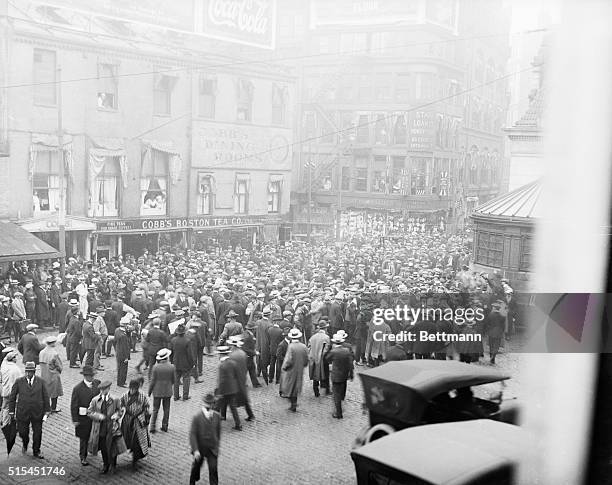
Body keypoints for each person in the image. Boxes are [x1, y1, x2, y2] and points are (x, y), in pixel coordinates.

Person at [8, 361, 50, 458]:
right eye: (27, 371)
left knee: (38, 432)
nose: (28, 374)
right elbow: (12, 397)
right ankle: (25, 442)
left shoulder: (41, 382)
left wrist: (47, 410)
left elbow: (46, 397)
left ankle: (36, 451)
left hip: (37, 412)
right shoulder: (19, 381)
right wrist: (11, 411)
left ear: (34, 372)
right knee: (23, 432)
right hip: (23, 412)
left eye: (30, 371)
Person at [87, 380, 124, 474]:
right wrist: (98, 416)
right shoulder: (95, 400)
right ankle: (106, 464)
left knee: (113, 446)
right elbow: (89, 412)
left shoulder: (115, 399)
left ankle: (113, 464)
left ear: (108, 389)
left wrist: (116, 415)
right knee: (103, 446)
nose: (103, 391)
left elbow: (120, 411)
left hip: (112, 427)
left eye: (105, 389)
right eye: (101, 390)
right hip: (101, 427)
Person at [70, 365, 100, 466]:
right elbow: (74, 405)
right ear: (85, 376)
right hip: (83, 417)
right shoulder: (77, 389)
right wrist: (75, 419)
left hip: (95, 415)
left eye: (92, 375)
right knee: (84, 437)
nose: (91, 378)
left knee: (95, 434)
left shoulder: (97, 384)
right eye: (89, 376)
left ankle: (93, 449)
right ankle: (83, 456)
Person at [189, 393, 221, 485]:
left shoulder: (217, 417)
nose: (209, 406)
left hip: (212, 449)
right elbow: (193, 434)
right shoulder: (197, 417)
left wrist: (216, 446)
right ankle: (192, 481)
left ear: (213, 405)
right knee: (196, 468)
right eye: (207, 404)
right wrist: (195, 450)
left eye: (210, 404)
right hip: (200, 448)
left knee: (213, 469)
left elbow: (218, 433)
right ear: (203, 404)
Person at [119, 377, 151, 470]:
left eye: (134, 389)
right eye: (131, 389)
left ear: (137, 389)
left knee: (137, 442)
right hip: (128, 421)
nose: (132, 390)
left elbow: (147, 407)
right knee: (126, 439)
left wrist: (147, 417)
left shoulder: (142, 396)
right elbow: (120, 407)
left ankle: (135, 460)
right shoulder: (125, 396)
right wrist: (118, 415)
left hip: (139, 421)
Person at [324, 333, 354, 419]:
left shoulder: (333, 352)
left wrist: (327, 349)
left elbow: (326, 359)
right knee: (342, 389)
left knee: (336, 394)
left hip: (336, 375)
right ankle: (342, 398)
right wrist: (351, 373)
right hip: (344, 374)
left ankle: (338, 413)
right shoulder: (346, 351)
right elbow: (350, 363)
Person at [279, 328, 309, 412]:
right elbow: (307, 358)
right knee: (296, 387)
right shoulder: (303, 346)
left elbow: (288, 359)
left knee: (289, 386)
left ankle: (293, 404)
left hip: (291, 370)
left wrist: (284, 367)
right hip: (299, 369)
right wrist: (304, 365)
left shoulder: (291, 346)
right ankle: (294, 403)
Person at [215, 346, 243, 430]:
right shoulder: (233, 363)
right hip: (233, 389)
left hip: (224, 390)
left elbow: (221, 380)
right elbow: (237, 376)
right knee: (233, 408)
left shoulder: (221, 365)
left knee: (216, 408)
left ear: (221, 355)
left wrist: (219, 392)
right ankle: (238, 424)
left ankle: (213, 425)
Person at [148, 348, 175, 433]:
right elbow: (174, 380)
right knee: (166, 409)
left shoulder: (155, 367)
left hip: (157, 391)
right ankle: (165, 426)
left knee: (155, 409)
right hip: (167, 391)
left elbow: (152, 381)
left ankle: (152, 426)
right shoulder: (171, 367)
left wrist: (149, 391)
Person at [38, 336, 63, 413]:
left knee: (46, 392)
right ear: (52, 343)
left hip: (44, 375)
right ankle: (53, 408)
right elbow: (59, 366)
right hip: (53, 375)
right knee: (55, 392)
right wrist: (59, 371)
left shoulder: (41, 352)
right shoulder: (54, 353)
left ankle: (46, 407)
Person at [170, 324, 194, 401]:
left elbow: (171, 352)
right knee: (186, 379)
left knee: (176, 380)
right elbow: (190, 354)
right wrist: (192, 363)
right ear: (184, 332)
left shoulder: (173, 340)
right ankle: (185, 396)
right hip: (185, 363)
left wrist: (172, 361)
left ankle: (176, 396)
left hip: (176, 362)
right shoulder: (187, 341)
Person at [308, 319, 331, 397]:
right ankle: (326, 389)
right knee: (326, 373)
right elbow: (326, 349)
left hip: (313, 358)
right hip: (323, 359)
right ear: (325, 328)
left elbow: (309, 348)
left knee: (315, 373)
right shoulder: (326, 337)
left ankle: (316, 391)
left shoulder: (313, 337)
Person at [0, 349, 22, 430]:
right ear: (12, 359)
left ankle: (5, 423)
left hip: (5, 391)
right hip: (13, 392)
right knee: (15, 408)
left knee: (5, 407)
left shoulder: (4, 367)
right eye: (15, 357)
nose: (16, 359)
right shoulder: (16, 369)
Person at [114, 316, 131, 387]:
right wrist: (126, 357)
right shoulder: (123, 336)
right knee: (123, 370)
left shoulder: (117, 330)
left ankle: (120, 382)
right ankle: (121, 382)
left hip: (118, 352)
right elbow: (125, 348)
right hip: (123, 354)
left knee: (120, 368)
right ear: (125, 325)